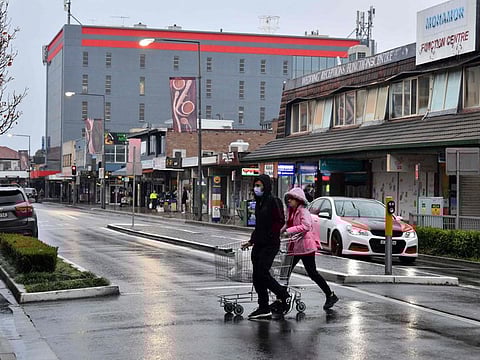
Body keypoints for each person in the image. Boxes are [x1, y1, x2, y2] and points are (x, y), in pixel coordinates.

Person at [241, 174, 295, 319]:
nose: (257, 188)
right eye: (256, 185)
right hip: (259, 243)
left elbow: (279, 220)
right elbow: (259, 226)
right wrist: (251, 241)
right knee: (257, 277)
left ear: (266, 186)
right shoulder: (259, 202)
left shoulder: (273, 201)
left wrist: (272, 235)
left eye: (260, 185)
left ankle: (283, 294)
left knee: (263, 272)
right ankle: (263, 307)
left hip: (270, 244)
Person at [282, 187, 338, 310]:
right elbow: (288, 224)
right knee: (284, 272)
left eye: (291, 199)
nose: (289, 201)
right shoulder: (291, 211)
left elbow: (306, 226)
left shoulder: (303, 212)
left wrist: (289, 231)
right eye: (288, 199)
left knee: (311, 273)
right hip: (294, 246)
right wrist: (280, 231)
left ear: (298, 200)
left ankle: (330, 294)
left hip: (305, 247)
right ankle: (282, 298)